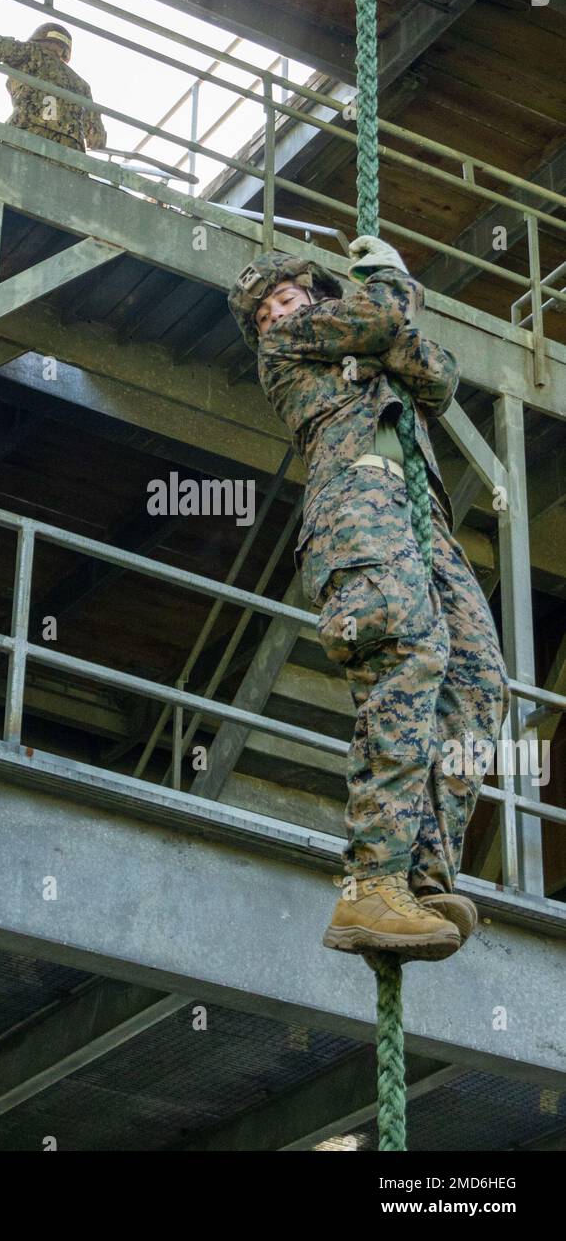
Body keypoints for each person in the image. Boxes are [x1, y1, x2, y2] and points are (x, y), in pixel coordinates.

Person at [227, 238, 511, 962]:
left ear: (316, 293)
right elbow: (388, 325)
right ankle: (371, 883)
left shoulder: (349, 329)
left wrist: (387, 312)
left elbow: (439, 377)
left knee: (479, 680)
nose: (275, 313)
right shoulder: (293, 346)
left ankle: (423, 872)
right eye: (263, 311)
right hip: (357, 506)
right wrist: (391, 280)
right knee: (409, 652)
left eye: (286, 297)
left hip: (420, 522)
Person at [0, 20, 106, 153]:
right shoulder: (82, 85)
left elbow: (0, 46)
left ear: (38, 39)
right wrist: (96, 141)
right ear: (65, 50)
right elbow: (96, 136)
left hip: (26, 133)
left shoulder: (31, 52)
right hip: (70, 150)